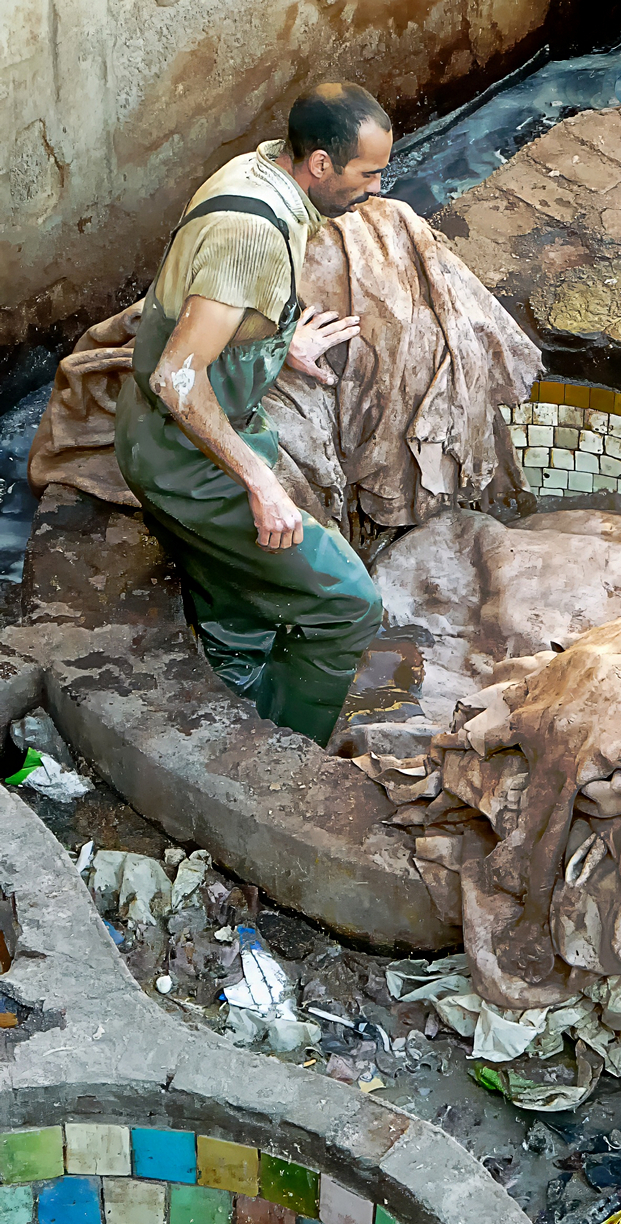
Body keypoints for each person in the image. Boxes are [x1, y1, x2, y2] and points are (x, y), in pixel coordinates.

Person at [114, 83, 393, 746]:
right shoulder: (255, 234)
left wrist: (277, 337)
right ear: (320, 164)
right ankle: (290, 747)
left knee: (233, 592)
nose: (378, 188)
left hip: (157, 437)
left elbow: (212, 297)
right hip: (183, 456)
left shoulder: (261, 170)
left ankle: (236, 688)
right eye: (368, 173)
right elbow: (179, 378)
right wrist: (261, 484)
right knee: (351, 607)